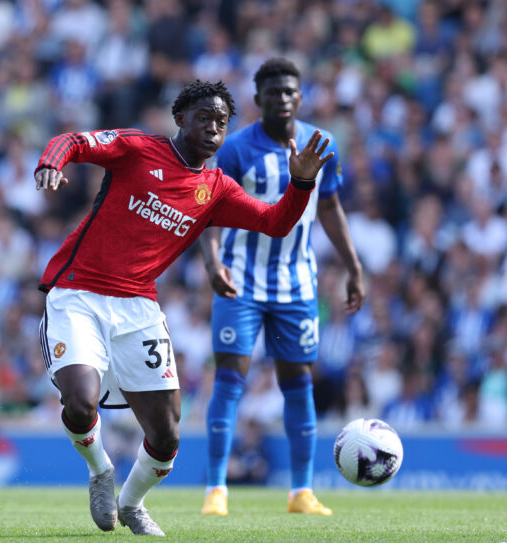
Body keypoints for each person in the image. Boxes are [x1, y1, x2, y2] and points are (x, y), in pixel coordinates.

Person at [34, 79, 334, 536]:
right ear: (180, 119)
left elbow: (276, 223)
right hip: (79, 293)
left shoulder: (216, 189)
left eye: (222, 121)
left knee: (168, 434)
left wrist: (302, 181)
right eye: (204, 117)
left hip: (138, 307)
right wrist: (51, 161)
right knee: (80, 399)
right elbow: (73, 140)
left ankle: (131, 504)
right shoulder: (137, 149)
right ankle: (100, 470)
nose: (214, 128)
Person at [198, 58, 365, 518]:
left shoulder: (321, 143)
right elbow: (209, 210)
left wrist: (353, 266)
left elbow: (329, 208)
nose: (282, 98)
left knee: (299, 385)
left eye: (290, 91)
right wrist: (213, 262)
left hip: (297, 284)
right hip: (241, 280)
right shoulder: (234, 150)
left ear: (300, 96)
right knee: (230, 380)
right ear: (259, 99)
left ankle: (301, 492)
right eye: (273, 92)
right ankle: (216, 488)